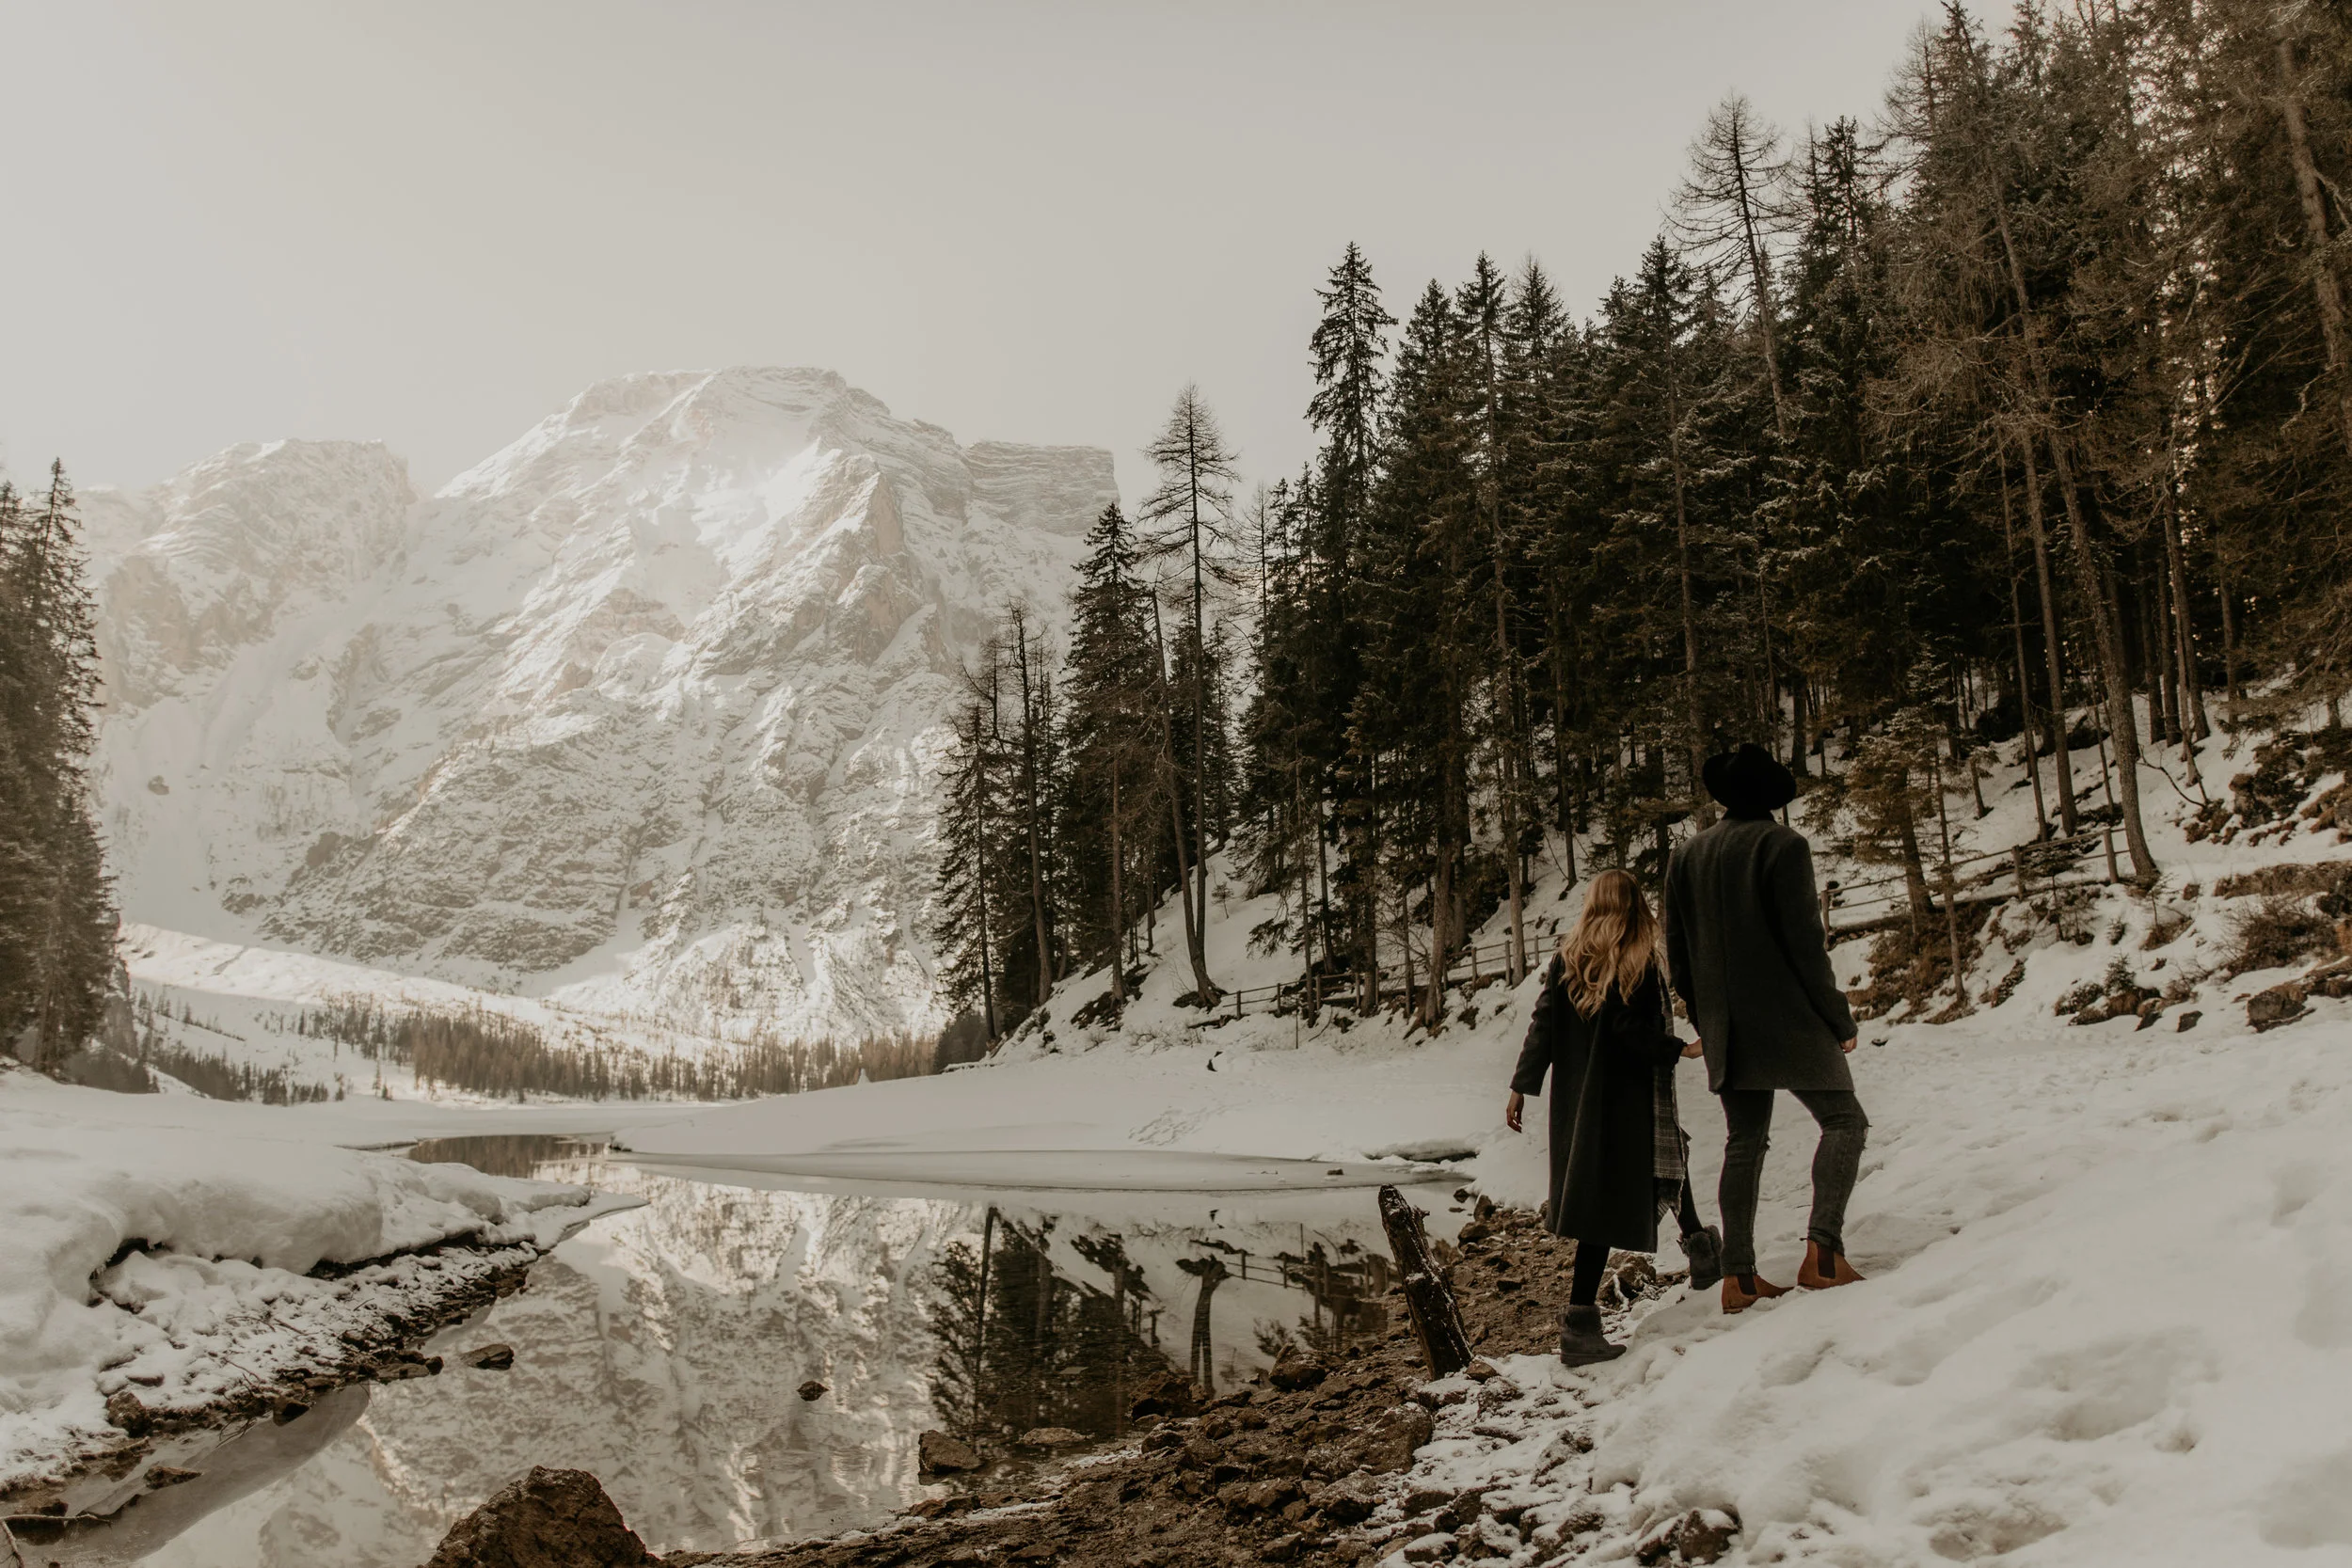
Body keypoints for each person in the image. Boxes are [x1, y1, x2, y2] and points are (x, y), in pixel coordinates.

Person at [1664, 742, 1869, 1315]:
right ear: (1769, 796)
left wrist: (1707, 1016)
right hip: (1790, 1017)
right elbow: (1805, 945)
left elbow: (1678, 956)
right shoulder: (1783, 845)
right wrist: (1837, 1016)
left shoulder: (1687, 856)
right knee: (1844, 1121)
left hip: (1727, 1022)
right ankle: (1823, 1256)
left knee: (1744, 1143)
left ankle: (1739, 1280)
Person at [1506, 869, 1723, 1367]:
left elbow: (1544, 1026)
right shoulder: (1637, 963)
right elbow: (1628, 1030)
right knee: (1603, 1208)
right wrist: (1680, 1049)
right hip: (1627, 1103)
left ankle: (1703, 1256)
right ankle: (1580, 1327)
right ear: (1633, 907)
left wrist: (1522, 1085)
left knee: (1671, 1156)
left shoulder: (1567, 958)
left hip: (1581, 1105)